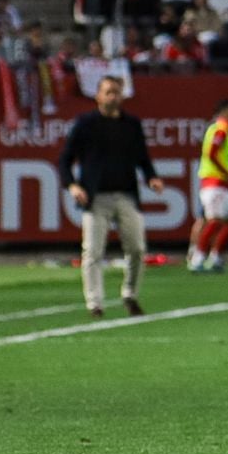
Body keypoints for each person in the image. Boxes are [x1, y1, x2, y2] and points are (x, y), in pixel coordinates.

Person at [58, 75, 164, 319]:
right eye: (108, 92)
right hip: (96, 199)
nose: (112, 97)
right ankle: (94, 302)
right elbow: (65, 159)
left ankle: (130, 294)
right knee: (93, 251)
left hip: (126, 194)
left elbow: (142, 158)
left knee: (137, 248)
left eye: (116, 92)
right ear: (98, 95)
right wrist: (72, 185)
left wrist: (151, 177)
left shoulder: (131, 125)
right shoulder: (86, 124)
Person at [187, 96, 228, 272]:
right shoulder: (221, 129)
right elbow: (212, 153)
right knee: (214, 220)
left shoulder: (224, 129)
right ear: (225, 111)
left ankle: (215, 257)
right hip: (214, 181)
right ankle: (198, 258)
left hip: (221, 183)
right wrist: (226, 173)